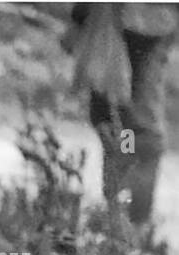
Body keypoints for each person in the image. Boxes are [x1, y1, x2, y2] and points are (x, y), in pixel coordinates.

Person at [65, 3, 178, 224]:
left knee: (123, 121)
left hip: (128, 20)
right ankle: (127, 221)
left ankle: (125, 220)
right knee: (128, 121)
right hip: (146, 20)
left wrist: (79, 19)